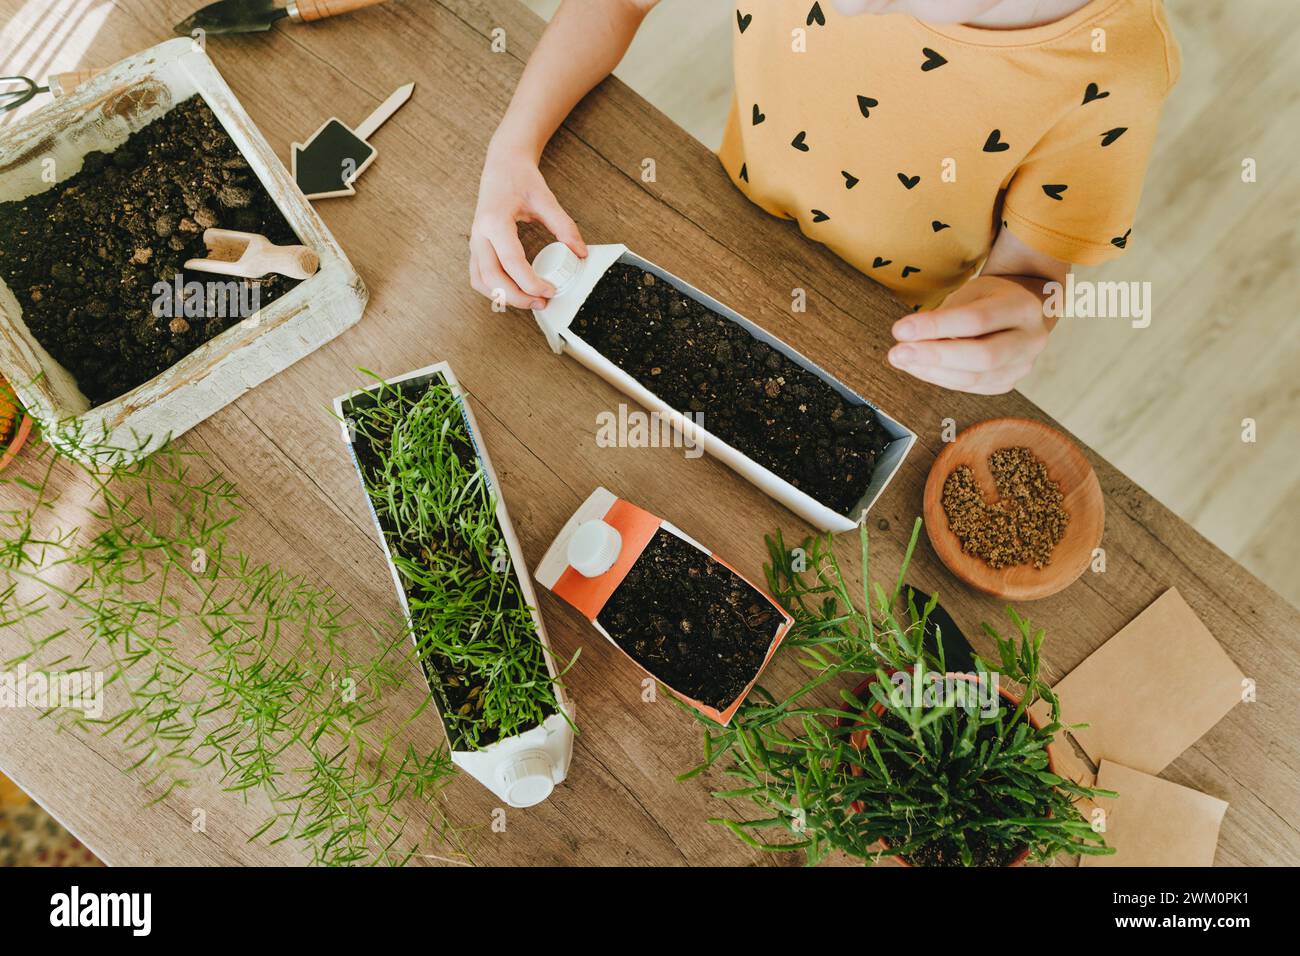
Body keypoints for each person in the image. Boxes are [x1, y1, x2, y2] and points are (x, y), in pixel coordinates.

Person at [470, 0, 1179, 394]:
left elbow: (1033, 274)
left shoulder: (1116, 72)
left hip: (872, 317)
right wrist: (514, 144)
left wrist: (1021, 316)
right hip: (727, 207)